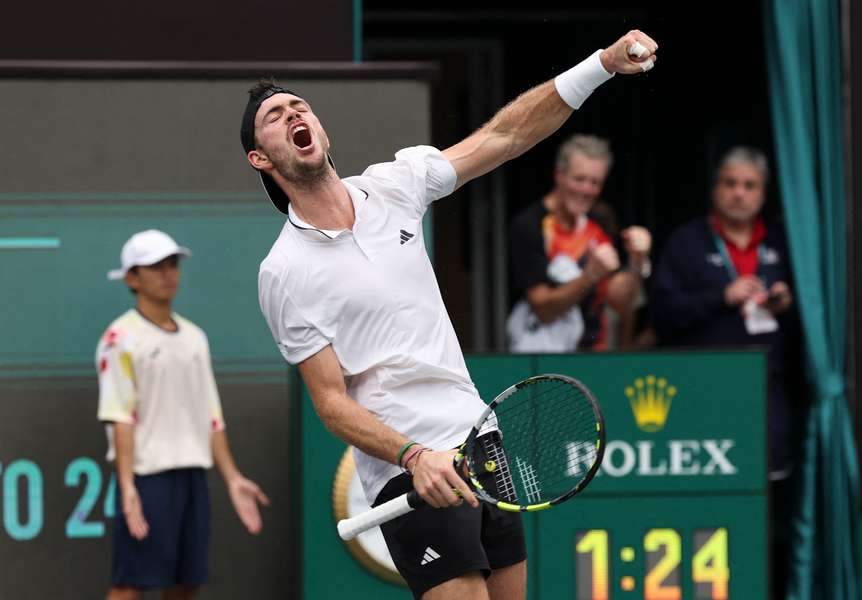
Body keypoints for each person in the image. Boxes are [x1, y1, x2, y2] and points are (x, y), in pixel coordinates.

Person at [248, 30, 658, 600]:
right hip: (407, 469)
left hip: (480, 439)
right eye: (275, 116)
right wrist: (413, 456)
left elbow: (507, 134)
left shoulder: (393, 186)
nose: (294, 114)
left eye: (300, 106)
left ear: (320, 128)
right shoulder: (283, 271)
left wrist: (602, 65)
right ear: (261, 157)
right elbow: (332, 404)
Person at [649, 147, 802, 598]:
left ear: (763, 193)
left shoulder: (784, 242)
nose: (739, 193)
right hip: (702, 398)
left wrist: (788, 306)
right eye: (730, 183)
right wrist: (722, 296)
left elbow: (820, 327)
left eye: (749, 185)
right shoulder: (688, 242)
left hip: (768, 395)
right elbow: (660, 315)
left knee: (772, 503)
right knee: (707, 503)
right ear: (716, 189)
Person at [97, 229, 269, 600]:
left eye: (171, 264)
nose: (167, 273)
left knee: (186, 584)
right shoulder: (119, 338)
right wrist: (127, 487)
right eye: (154, 267)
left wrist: (232, 477)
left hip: (192, 475)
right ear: (132, 278)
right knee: (130, 585)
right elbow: (119, 416)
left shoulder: (195, 338)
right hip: (146, 480)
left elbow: (211, 417)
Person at [507, 134, 652, 352]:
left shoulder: (598, 222)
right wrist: (589, 277)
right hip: (543, 358)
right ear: (559, 175)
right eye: (579, 179)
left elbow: (619, 299)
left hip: (594, 353)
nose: (587, 190)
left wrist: (637, 261)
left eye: (595, 182)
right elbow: (543, 309)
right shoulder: (530, 224)